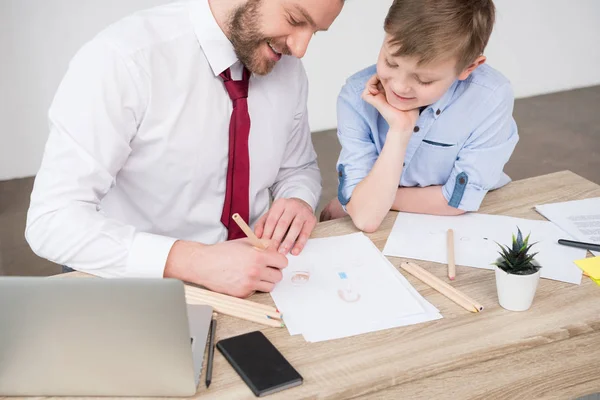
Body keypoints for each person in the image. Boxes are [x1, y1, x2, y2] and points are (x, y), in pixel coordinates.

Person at [25, 0, 344, 298]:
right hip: (136, 284)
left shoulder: (288, 71)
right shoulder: (122, 60)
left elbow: (298, 167)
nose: (301, 49)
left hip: (255, 281)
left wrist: (298, 197)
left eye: (314, 31)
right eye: (294, 20)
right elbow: (52, 221)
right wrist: (196, 261)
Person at [320, 0, 518, 233]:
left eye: (424, 79)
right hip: (389, 226)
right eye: (390, 62)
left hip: (469, 223)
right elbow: (366, 218)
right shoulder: (356, 96)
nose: (400, 87)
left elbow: (455, 202)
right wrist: (400, 130)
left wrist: (363, 201)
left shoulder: (490, 97)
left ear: (469, 67)